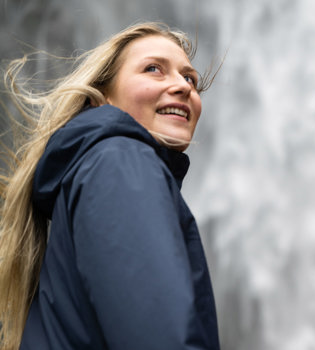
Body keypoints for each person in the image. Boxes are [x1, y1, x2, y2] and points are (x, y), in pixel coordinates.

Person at [0, 22, 220, 349]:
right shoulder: (121, 161)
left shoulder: (97, 167)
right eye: (153, 70)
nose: (183, 86)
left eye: (189, 78)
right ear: (102, 100)